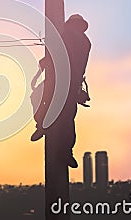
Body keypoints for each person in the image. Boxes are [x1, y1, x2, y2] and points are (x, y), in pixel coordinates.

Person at [30, 14, 91, 168]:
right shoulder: (85, 42)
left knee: (38, 97)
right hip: (71, 83)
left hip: (59, 80)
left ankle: (42, 125)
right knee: (68, 117)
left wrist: (44, 62)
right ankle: (66, 151)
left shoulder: (69, 36)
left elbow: (59, 53)